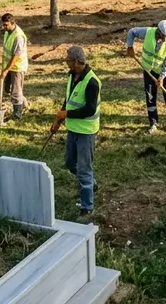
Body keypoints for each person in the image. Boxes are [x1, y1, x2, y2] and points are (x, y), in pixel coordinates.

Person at [49, 45, 100, 216]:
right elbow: (69, 100)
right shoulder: (72, 76)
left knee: (84, 169)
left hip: (86, 131)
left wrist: (67, 113)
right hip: (72, 129)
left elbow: (90, 109)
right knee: (70, 163)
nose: (66, 63)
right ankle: (91, 183)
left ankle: (87, 207)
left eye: (68, 61)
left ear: (78, 61)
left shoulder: (92, 82)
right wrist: (58, 121)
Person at [125, 20, 166, 133]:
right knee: (150, 95)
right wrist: (129, 46)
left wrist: (162, 77)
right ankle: (153, 123)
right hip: (148, 70)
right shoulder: (148, 32)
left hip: (164, 71)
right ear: (158, 31)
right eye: (162, 36)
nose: (164, 38)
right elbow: (132, 32)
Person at [0, 14, 27, 120]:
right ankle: (23, 102)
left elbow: (16, 56)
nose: (4, 27)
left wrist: (6, 70)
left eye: (6, 25)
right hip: (8, 66)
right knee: (7, 89)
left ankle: (17, 115)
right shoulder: (8, 32)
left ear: (13, 22)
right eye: (3, 25)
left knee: (15, 92)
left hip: (17, 67)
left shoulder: (18, 36)